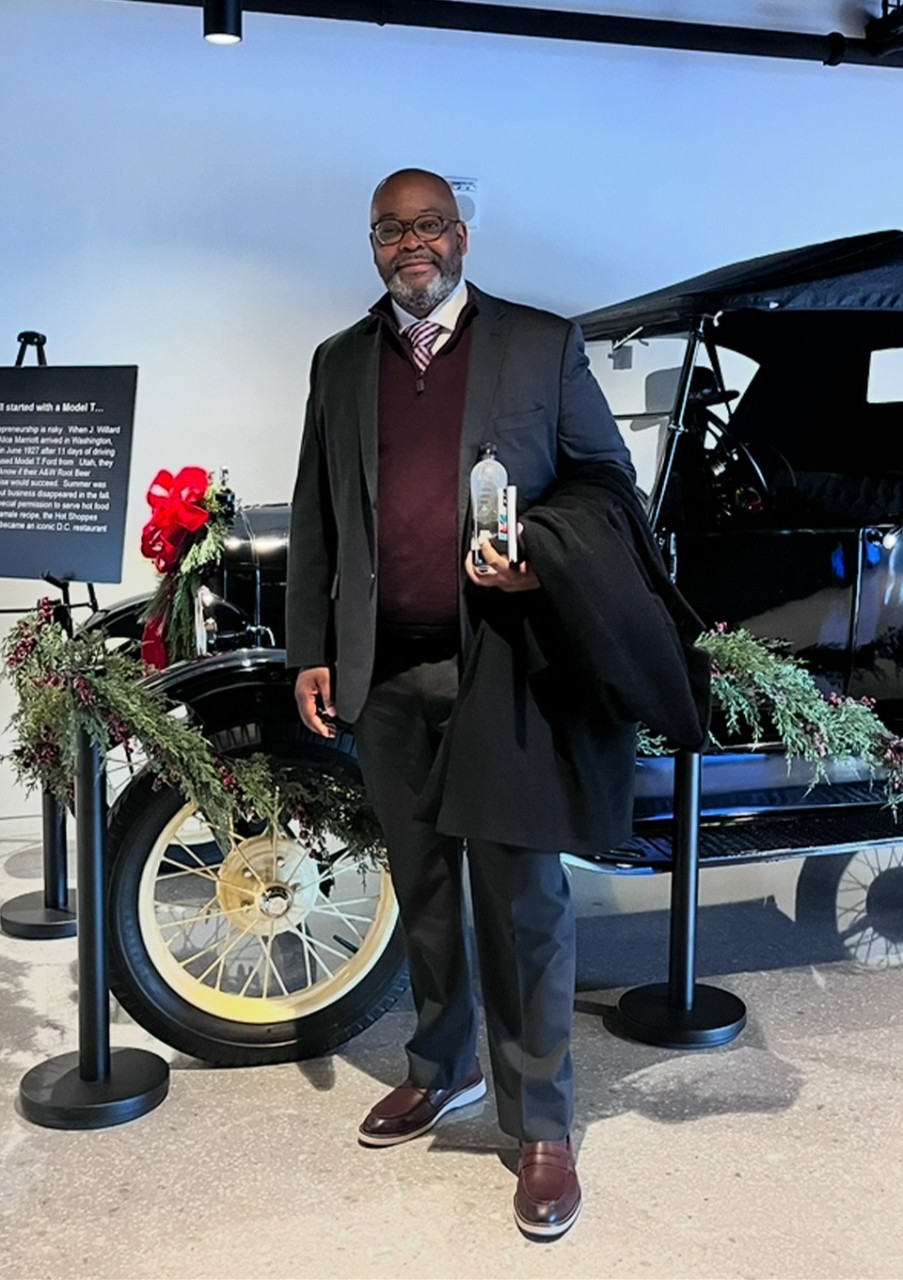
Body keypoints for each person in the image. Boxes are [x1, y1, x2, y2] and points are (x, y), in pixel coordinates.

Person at [286, 168, 638, 1240]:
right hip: (385, 673)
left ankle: (542, 1124)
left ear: (463, 235)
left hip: (506, 665)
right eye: (391, 230)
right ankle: (444, 1066)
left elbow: (607, 483)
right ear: (374, 244)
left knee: (524, 898)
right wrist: (313, 650)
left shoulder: (540, 342)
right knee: (424, 888)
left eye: (429, 224)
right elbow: (319, 518)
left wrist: (544, 555)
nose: (411, 244)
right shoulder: (341, 360)